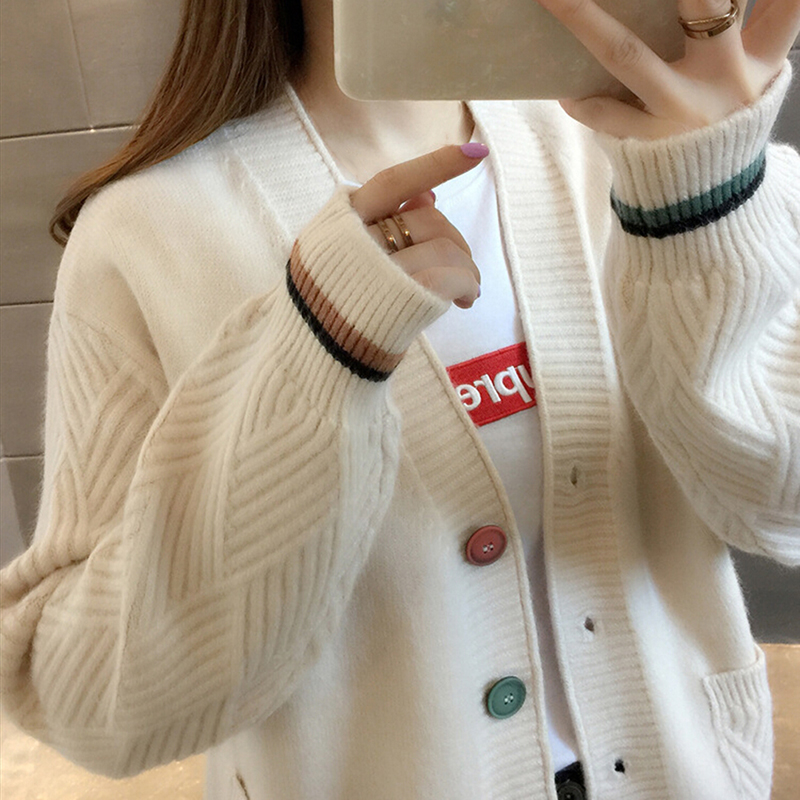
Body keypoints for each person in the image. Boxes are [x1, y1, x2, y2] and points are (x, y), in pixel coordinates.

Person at [1, 0, 798, 797]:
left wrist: (707, 203)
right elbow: (85, 699)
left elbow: (781, 511)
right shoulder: (145, 235)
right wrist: (317, 354)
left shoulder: (659, 145)